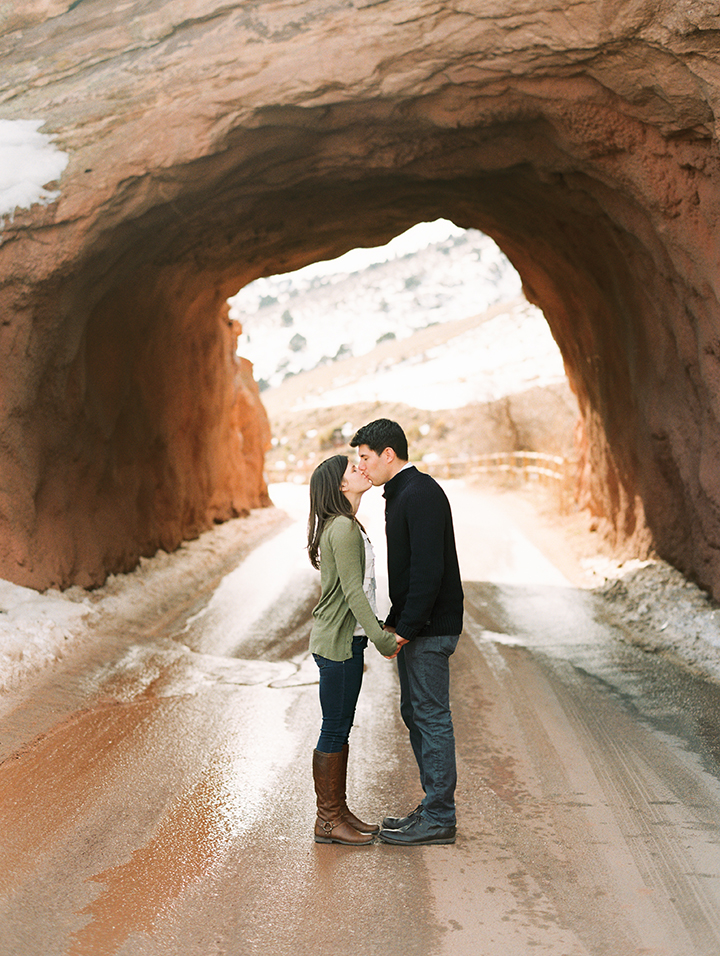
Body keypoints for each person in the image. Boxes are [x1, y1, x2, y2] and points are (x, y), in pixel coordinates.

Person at [350, 419, 464, 846]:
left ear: (388, 455)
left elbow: (427, 571)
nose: (361, 466)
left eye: (365, 457)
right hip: (419, 627)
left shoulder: (421, 494)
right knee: (415, 714)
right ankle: (434, 807)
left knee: (431, 717)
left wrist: (407, 629)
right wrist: (396, 621)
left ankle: (440, 817)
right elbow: (406, 572)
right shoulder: (399, 495)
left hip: (431, 630)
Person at [307, 454, 400, 846]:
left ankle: (337, 812)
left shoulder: (346, 525)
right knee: (334, 728)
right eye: (351, 468)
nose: (360, 468)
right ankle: (327, 821)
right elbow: (353, 593)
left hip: (342, 642)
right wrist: (382, 639)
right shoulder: (342, 528)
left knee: (339, 726)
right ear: (340, 486)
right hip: (338, 644)